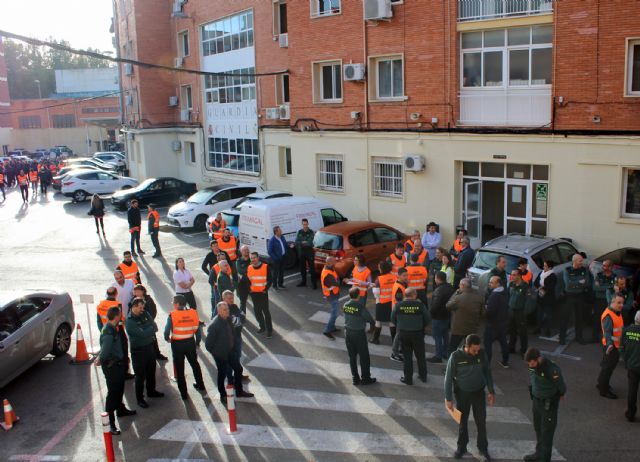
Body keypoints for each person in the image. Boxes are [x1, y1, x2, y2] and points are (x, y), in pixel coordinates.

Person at [444, 334, 495, 462]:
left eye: (478, 349)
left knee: (481, 421)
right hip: (462, 394)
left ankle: (483, 448)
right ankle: (462, 447)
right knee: (462, 422)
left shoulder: (482, 354)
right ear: (466, 347)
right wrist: (448, 398)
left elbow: (487, 372)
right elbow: (448, 378)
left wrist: (491, 391)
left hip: (478, 393)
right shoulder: (455, 357)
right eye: (474, 350)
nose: (477, 352)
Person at [95, 306, 136, 435]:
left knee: (119, 390)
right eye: (120, 314)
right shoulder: (109, 332)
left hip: (118, 365)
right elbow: (106, 350)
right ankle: (110, 422)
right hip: (112, 367)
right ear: (117, 316)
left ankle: (121, 410)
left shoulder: (113, 328)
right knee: (113, 393)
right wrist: (100, 359)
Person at [205, 301, 254, 405]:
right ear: (218, 311)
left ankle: (239, 392)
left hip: (230, 351)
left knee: (238, 369)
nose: (227, 311)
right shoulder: (214, 325)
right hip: (221, 355)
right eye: (224, 310)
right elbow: (208, 345)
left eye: (227, 309)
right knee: (222, 375)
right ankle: (223, 395)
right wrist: (217, 354)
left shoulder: (228, 319)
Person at [523, 348, 567, 462]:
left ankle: (545, 459)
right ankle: (539, 454)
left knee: (547, 434)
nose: (530, 366)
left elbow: (561, 385)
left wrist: (561, 393)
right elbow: (533, 377)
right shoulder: (532, 365)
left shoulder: (551, 369)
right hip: (536, 402)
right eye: (528, 363)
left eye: (531, 363)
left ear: (538, 359)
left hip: (548, 405)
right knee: (538, 429)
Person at [163, 294, 205, 400]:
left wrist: (166, 338)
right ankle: (201, 385)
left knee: (180, 368)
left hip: (177, 344)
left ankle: (184, 394)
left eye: (173, 303)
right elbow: (197, 329)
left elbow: (166, 330)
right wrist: (197, 342)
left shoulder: (173, 315)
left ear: (177, 304)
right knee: (194, 364)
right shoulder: (193, 313)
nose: (173, 305)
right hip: (190, 342)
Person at [125, 297, 164, 408]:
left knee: (151, 371)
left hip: (149, 347)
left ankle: (151, 391)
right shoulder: (130, 321)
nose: (142, 309)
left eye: (143, 307)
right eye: (140, 307)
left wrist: (146, 329)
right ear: (134, 306)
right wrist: (148, 329)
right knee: (140, 376)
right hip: (138, 351)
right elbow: (142, 334)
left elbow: (155, 327)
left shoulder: (145, 313)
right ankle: (140, 399)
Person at [391, 287, 430, 385]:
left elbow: (392, 319)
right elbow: (428, 319)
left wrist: (401, 325)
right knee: (420, 356)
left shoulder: (398, 305)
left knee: (407, 357)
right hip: (417, 334)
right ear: (414, 295)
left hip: (404, 334)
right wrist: (420, 326)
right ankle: (423, 376)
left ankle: (408, 379)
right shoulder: (420, 305)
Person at [343, 287, 376, 386]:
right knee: (364, 357)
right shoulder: (360, 307)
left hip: (348, 333)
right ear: (358, 295)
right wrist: (372, 326)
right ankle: (365, 378)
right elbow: (369, 319)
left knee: (352, 357)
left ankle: (355, 378)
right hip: (359, 334)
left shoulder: (345, 305)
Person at [597, 294, 625, 399]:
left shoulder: (616, 312)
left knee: (606, 367)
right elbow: (607, 333)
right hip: (611, 347)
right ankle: (603, 390)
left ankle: (601, 384)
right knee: (608, 368)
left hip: (614, 346)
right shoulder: (609, 316)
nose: (621, 305)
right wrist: (609, 345)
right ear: (612, 302)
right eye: (619, 302)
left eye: (622, 303)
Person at [446, 278, 484, 354]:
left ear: (463, 286)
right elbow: (483, 313)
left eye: (460, 285)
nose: (458, 286)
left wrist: (456, 293)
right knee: (469, 347)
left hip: (458, 329)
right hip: (472, 328)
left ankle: (452, 363)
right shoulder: (479, 297)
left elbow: (448, 306)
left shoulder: (458, 298)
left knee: (452, 348)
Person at [131, 284, 167, 361]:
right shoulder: (133, 301)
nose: (136, 293)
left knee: (153, 339)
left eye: (138, 291)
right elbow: (131, 312)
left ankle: (157, 354)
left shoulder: (148, 299)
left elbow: (153, 310)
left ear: (142, 291)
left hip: (148, 323)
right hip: (140, 325)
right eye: (135, 291)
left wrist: (150, 320)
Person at [561, 253, 592, 344]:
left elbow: (587, 282)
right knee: (565, 317)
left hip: (579, 296)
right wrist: (579, 282)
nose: (582, 262)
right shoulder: (567, 270)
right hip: (569, 296)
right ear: (574, 261)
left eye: (582, 260)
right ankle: (562, 337)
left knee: (579, 317)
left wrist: (575, 283)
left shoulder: (584, 270)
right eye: (580, 261)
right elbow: (568, 284)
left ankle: (579, 337)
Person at [222, 290, 250, 385]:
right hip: (229, 340)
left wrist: (236, 319)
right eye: (229, 298)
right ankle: (230, 380)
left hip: (237, 337)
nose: (232, 300)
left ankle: (238, 375)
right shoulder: (221, 308)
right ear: (224, 299)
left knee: (237, 357)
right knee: (230, 361)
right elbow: (233, 321)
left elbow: (242, 317)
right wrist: (237, 319)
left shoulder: (234, 306)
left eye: (232, 298)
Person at [429, 271, 455, 363]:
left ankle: (438, 356)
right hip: (447, 315)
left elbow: (435, 305)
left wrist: (430, 313)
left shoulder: (438, 290)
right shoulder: (450, 288)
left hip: (438, 317)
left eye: (435, 278)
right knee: (445, 335)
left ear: (438, 278)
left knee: (437, 336)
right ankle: (445, 352)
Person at [484, 276, 510, 369]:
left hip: (492, 325)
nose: (489, 284)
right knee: (503, 343)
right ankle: (505, 361)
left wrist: (485, 310)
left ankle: (487, 364)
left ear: (497, 284)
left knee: (487, 344)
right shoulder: (504, 292)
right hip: (502, 324)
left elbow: (489, 312)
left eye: (491, 282)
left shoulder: (494, 296)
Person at [247, 251, 273, 337]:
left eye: (254, 257)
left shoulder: (265, 267)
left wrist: (266, 289)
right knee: (257, 312)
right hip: (254, 294)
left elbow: (270, 279)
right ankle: (262, 327)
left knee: (266, 312)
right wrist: (249, 290)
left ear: (258, 258)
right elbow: (248, 280)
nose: (253, 259)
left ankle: (269, 330)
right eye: (251, 258)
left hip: (263, 293)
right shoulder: (249, 267)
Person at [370, 261, 396, 344]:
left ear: (382, 269)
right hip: (392, 302)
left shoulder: (379, 279)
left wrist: (373, 287)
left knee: (378, 321)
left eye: (379, 267)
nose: (378, 268)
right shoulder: (394, 277)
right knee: (391, 321)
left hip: (381, 302)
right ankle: (394, 340)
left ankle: (375, 339)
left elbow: (376, 294)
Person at [621, 311, 640, 422]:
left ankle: (630, 414)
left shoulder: (627, 330)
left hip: (632, 366)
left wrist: (626, 361)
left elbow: (622, 348)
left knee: (632, 391)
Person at [508, 269, 530, 357]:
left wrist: (525, 312)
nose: (511, 276)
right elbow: (508, 295)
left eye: (514, 275)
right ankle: (511, 347)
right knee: (512, 330)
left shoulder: (525, 286)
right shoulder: (511, 284)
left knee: (522, 332)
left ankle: (524, 350)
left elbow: (528, 301)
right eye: (511, 274)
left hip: (520, 312)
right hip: (511, 310)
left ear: (519, 276)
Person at [389, 268, 409, 362]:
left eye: (406, 275)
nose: (406, 277)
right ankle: (394, 353)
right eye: (404, 275)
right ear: (399, 276)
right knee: (399, 333)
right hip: (399, 313)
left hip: (400, 312)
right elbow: (399, 303)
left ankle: (399, 350)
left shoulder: (402, 284)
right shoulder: (398, 287)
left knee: (400, 333)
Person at [533, 260, 557, 337]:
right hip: (540, 297)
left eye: (545, 266)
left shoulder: (553, 276)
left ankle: (547, 330)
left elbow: (551, 287)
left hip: (548, 298)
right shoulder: (541, 273)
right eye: (544, 265)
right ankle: (538, 328)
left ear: (550, 267)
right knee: (539, 314)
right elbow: (536, 282)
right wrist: (540, 288)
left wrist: (542, 288)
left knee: (548, 315)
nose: (544, 267)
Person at [321, 256, 341, 340]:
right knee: (335, 313)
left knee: (335, 312)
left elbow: (336, 279)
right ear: (330, 263)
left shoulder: (330, 269)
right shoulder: (328, 273)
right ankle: (327, 330)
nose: (336, 262)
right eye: (334, 261)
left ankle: (332, 327)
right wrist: (339, 281)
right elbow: (336, 283)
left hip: (333, 294)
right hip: (331, 295)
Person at [295, 218, 317, 289]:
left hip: (309, 253)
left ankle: (314, 284)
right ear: (302, 224)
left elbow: (310, 243)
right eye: (304, 224)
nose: (305, 226)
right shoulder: (299, 232)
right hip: (302, 253)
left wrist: (302, 243)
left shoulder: (311, 232)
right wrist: (303, 242)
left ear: (308, 224)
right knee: (302, 268)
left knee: (312, 269)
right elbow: (297, 242)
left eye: (306, 224)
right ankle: (303, 282)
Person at [267, 225, 288, 290]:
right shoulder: (272, 240)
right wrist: (275, 258)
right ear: (276, 232)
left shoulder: (282, 237)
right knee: (276, 273)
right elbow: (270, 251)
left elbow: (285, 244)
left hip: (283, 257)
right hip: (276, 259)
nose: (281, 231)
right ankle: (275, 285)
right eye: (280, 230)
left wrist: (288, 247)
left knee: (282, 271)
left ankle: (280, 284)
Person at [236, 245, 251, 314]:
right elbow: (240, 271)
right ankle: (242, 316)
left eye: (247, 249)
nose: (247, 251)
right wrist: (250, 268)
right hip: (243, 284)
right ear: (241, 252)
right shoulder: (238, 261)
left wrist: (246, 271)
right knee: (243, 301)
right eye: (244, 250)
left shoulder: (252, 259)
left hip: (252, 283)